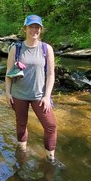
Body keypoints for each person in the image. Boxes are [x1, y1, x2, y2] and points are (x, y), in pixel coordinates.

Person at [5, 14, 64, 169]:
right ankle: (22, 151)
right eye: (31, 26)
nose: (34, 30)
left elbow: (51, 74)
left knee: (51, 126)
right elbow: (9, 73)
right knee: (21, 125)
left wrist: (47, 96)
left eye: (37, 27)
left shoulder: (46, 48)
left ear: (41, 29)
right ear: (25, 29)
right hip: (18, 95)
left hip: (39, 96)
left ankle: (50, 158)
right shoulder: (15, 48)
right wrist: (7, 93)